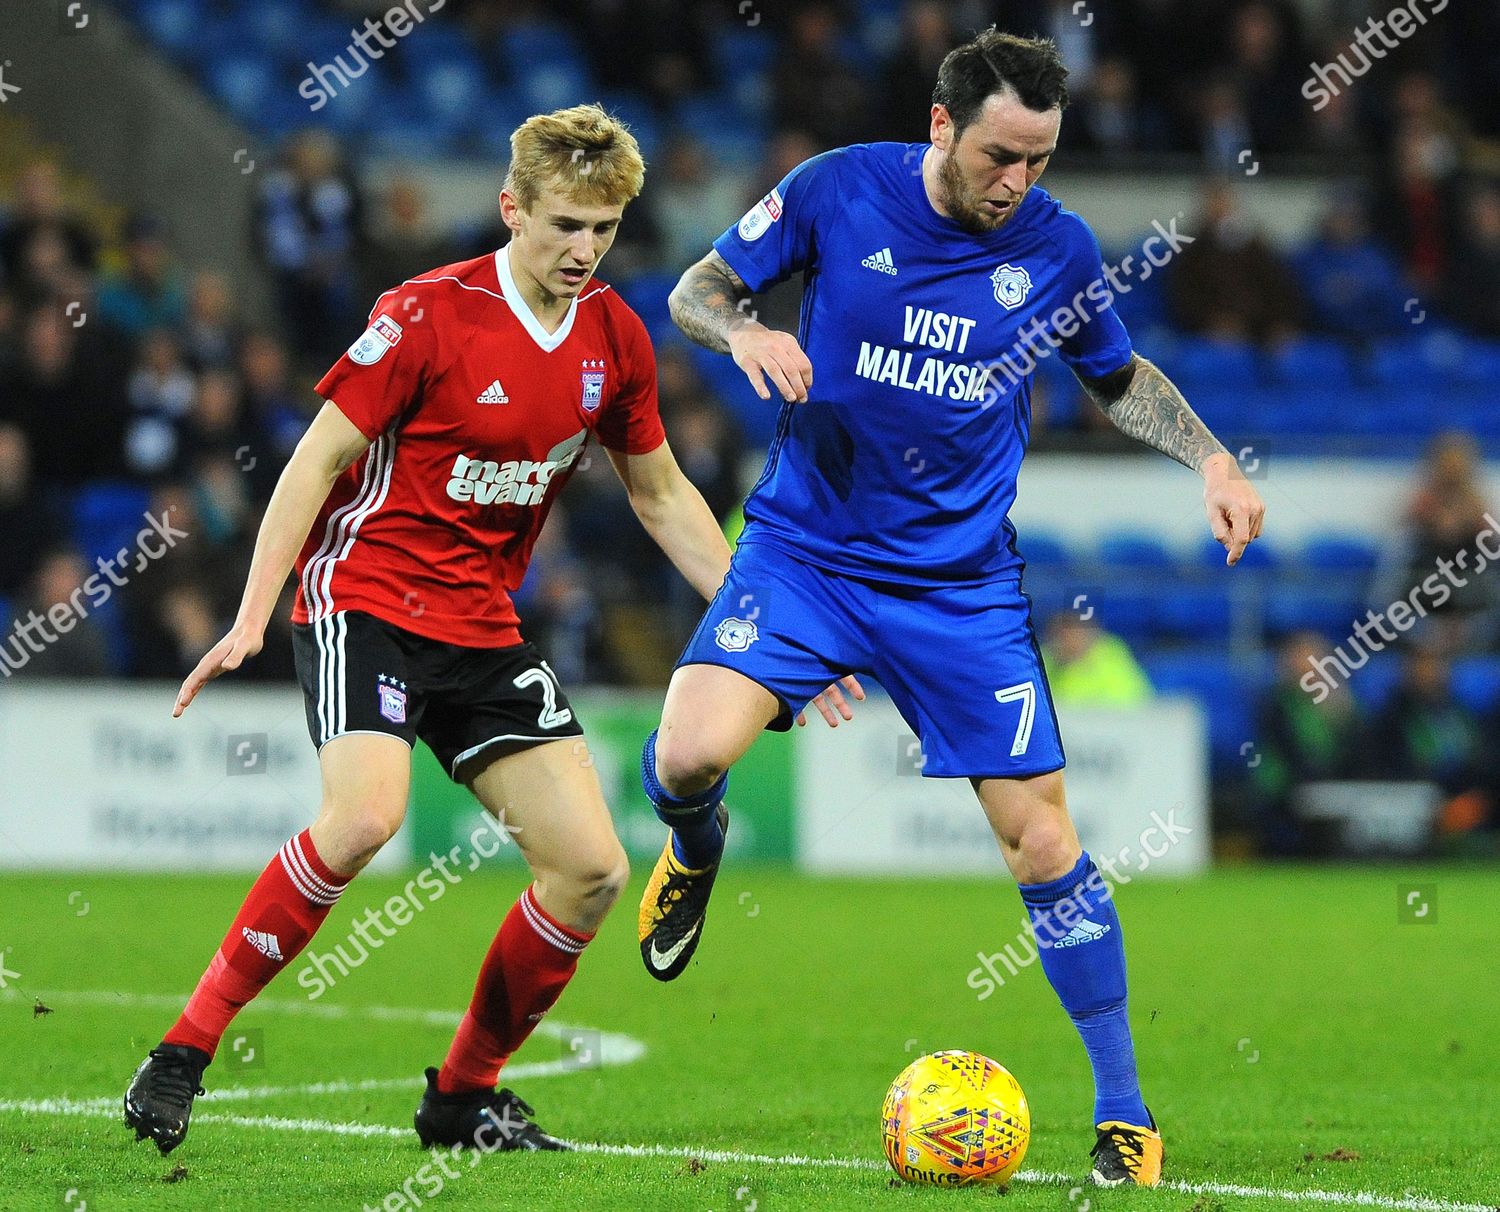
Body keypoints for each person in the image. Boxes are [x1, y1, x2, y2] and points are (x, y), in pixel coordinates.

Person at [635, 30, 1265, 1188]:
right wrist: (749, 329)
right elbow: (696, 289)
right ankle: (695, 843)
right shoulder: (836, 189)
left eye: (1039, 160)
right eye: (1000, 156)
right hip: (805, 554)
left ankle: (1124, 1111)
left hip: (960, 588)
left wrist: (1213, 461)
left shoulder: (1059, 250)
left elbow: (1116, 378)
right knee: (682, 755)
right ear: (942, 125)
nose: (1017, 182)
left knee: (1043, 840)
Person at [119, 104, 785, 1158]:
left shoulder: (614, 334)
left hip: (481, 624)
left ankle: (462, 1097)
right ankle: (184, 1050)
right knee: (365, 819)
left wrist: (768, 619)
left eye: (605, 230)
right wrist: (253, 613)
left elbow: (659, 495)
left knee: (592, 869)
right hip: (367, 597)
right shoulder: (426, 313)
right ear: (511, 207)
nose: (584, 249)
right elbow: (317, 460)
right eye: (565, 224)